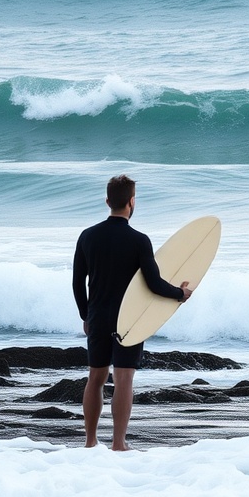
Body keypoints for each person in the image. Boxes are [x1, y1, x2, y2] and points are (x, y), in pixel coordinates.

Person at [72, 174, 192, 450]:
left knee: (96, 377)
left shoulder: (87, 236)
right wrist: (179, 294)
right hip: (130, 319)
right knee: (124, 377)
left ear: (107, 201)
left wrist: (85, 316)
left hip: (98, 316)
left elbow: (78, 282)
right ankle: (118, 443)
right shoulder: (139, 240)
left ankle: (90, 441)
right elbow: (153, 283)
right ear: (131, 202)